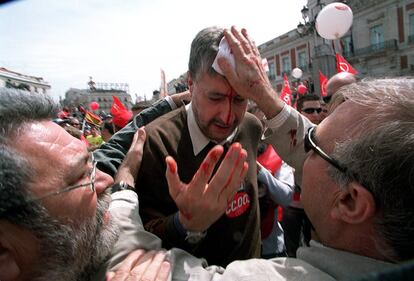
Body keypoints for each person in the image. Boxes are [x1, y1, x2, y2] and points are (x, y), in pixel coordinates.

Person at [97, 26, 263, 267]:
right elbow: (143, 239)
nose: (228, 117)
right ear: (191, 84)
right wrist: (186, 225)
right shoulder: (156, 143)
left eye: (239, 99)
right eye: (215, 98)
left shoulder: (251, 126)